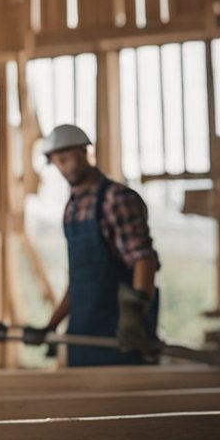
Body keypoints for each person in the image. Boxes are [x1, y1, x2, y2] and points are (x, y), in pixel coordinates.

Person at [29, 124, 160, 366]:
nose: (66, 166)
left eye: (70, 157)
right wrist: (51, 326)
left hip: (121, 336)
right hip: (82, 336)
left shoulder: (116, 199)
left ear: (84, 152)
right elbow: (79, 282)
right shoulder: (72, 209)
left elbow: (144, 260)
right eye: (59, 160)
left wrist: (133, 318)